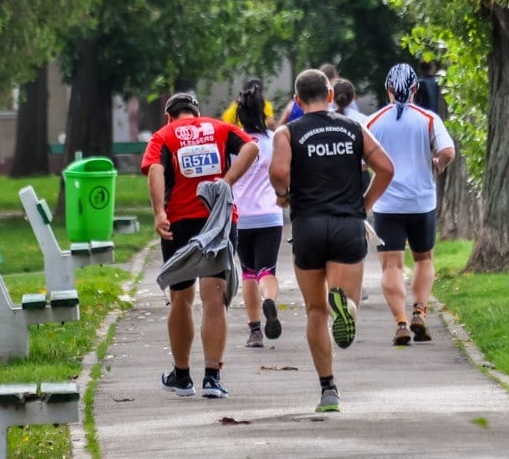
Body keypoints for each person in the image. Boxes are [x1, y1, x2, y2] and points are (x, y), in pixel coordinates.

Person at [269, 68, 393, 413]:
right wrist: (365, 205)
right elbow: (386, 167)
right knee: (348, 299)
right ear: (329, 95)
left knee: (314, 310)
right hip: (347, 225)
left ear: (296, 100)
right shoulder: (353, 127)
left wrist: (284, 194)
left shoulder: (287, 132)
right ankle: (347, 309)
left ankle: (328, 390)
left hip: (308, 225)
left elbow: (278, 173)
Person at [141, 92, 259, 399]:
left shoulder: (163, 135)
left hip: (179, 222)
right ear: (196, 112)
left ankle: (182, 377)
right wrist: (227, 181)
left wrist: (159, 213)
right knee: (214, 297)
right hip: (218, 220)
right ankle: (212, 378)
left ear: (169, 116)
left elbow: (155, 169)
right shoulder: (219, 128)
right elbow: (251, 146)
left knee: (181, 299)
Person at [366, 63, 455, 346]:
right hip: (421, 202)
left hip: (386, 204)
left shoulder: (372, 122)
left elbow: (359, 160)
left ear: (388, 89)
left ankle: (401, 322)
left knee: (391, 266)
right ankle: (419, 311)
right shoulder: (428, 119)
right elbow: (448, 151)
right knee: (423, 259)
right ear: (416, 88)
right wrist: (439, 162)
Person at [231, 83, 286, 348]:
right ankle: (270, 300)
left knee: (248, 272)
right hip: (270, 215)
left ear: (239, 115)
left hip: (241, 217)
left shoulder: (234, 143)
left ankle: (255, 331)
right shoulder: (275, 141)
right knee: (267, 269)